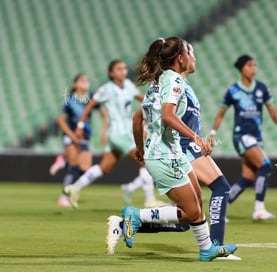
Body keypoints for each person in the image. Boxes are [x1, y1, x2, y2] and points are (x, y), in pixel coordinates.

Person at [106, 43, 240, 260]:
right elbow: (168, 115)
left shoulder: (159, 82)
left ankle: (207, 250)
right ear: (180, 57)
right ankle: (136, 216)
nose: (192, 57)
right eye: (189, 52)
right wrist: (196, 137)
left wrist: (140, 148)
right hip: (165, 154)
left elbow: (137, 118)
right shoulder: (174, 80)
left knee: (194, 208)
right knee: (192, 210)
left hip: (172, 152)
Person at [64, 60, 165, 208]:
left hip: (119, 135)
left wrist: (158, 106)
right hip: (120, 134)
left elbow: (142, 99)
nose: (123, 71)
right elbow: (90, 105)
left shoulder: (129, 86)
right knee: (145, 161)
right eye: (119, 69)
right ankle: (149, 199)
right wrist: (79, 126)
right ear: (111, 73)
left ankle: (75, 187)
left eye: (124, 68)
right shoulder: (107, 89)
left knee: (105, 167)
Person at [208, 54, 277, 220]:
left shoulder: (261, 88)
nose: (253, 69)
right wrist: (212, 133)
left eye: (254, 65)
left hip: (256, 137)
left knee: (248, 177)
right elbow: (220, 114)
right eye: (250, 65)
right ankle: (259, 209)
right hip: (242, 136)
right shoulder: (233, 91)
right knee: (265, 165)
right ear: (242, 69)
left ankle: (220, 209)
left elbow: (271, 110)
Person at [55, 74, 108, 207]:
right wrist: (72, 136)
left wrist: (104, 132)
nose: (85, 83)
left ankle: (63, 162)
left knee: (85, 169)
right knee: (74, 168)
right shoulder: (70, 100)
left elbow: (104, 115)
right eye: (82, 80)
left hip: (85, 137)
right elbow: (61, 120)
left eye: (87, 80)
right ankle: (63, 198)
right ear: (75, 84)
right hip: (71, 137)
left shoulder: (91, 99)